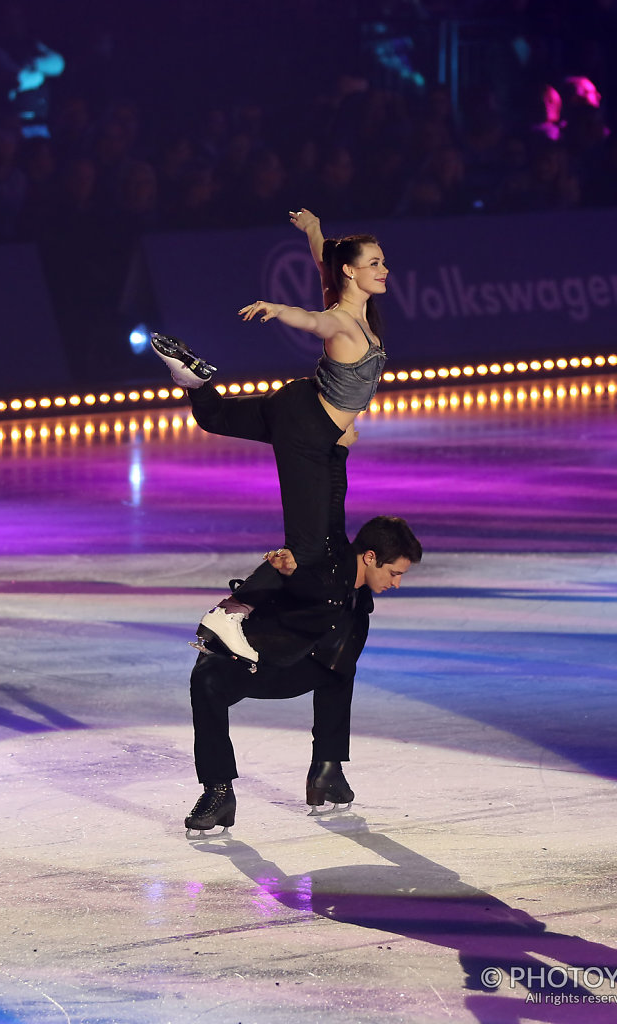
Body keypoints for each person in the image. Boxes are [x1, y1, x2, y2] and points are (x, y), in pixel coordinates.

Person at [151, 209, 389, 663]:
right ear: (352, 272)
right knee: (306, 546)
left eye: (381, 262)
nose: (384, 270)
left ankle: (192, 378)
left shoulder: (350, 305)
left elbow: (324, 264)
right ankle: (231, 612)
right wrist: (279, 310)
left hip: (299, 407)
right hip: (305, 431)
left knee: (214, 416)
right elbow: (313, 321)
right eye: (374, 262)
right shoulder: (340, 321)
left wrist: (314, 230)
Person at [185, 499, 423, 832]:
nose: (396, 583)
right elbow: (252, 593)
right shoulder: (312, 565)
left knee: (341, 666)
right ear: (370, 557)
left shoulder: (358, 601)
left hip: (296, 666)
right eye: (394, 573)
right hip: (255, 662)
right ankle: (218, 791)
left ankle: (327, 769)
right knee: (205, 679)